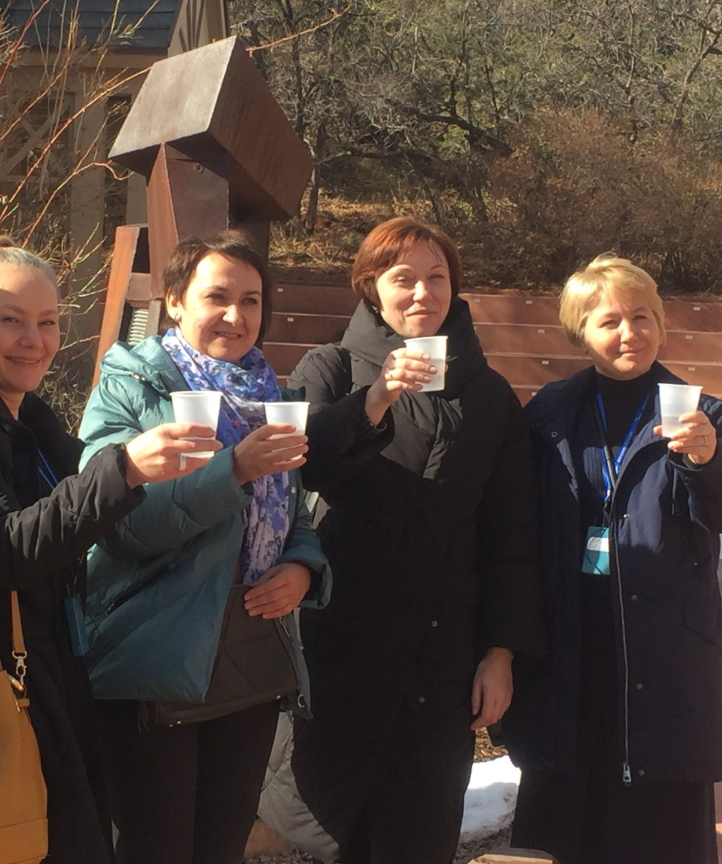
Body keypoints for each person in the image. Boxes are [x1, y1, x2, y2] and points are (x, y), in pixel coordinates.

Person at [0, 234, 218, 864]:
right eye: (10, 320)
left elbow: (95, 516)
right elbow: (7, 549)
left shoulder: (34, 425)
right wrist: (124, 468)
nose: (34, 340)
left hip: (53, 677)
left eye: (46, 322)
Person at [260, 216, 545, 864]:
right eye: (403, 278)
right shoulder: (329, 368)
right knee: (320, 833)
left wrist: (501, 653)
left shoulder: (493, 398)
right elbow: (303, 467)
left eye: (436, 278)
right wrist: (377, 396)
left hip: (441, 661)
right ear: (371, 289)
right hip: (338, 648)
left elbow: (511, 535)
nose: (422, 292)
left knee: (418, 834)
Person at [76, 230, 332, 864]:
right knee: (155, 848)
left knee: (220, 846)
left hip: (247, 650)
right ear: (174, 302)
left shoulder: (273, 394)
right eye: (217, 296)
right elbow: (120, 527)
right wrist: (233, 471)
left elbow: (290, 512)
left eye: (251, 300)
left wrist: (303, 565)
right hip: (155, 655)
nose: (236, 315)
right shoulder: (129, 386)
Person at [506, 255, 722, 864]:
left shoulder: (702, 411)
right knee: (572, 823)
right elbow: (516, 522)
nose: (630, 333)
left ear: (662, 324)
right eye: (611, 320)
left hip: (665, 650)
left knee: (663, 826)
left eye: (643, 316)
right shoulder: (550, 412)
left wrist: (709, 461)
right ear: (581, 332)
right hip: (572, 645)